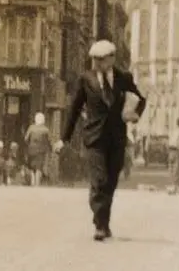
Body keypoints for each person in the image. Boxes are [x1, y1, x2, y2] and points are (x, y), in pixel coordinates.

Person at [57, 39, 147, 242]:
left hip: (117, 138)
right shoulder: (86, 79)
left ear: (112, 59)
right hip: (95, 138)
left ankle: (104, 223)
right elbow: (74, 109)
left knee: (111, 182)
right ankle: (99, 224)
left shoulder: (124, 78)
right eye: (94, 59)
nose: (96, 63)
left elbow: (141, 99)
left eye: (101, 59)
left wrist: (134, 114)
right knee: (100, 179)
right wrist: (64, 138)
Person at [24, 112, 54, 187]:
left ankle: (32, 182)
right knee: (38, 168)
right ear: (43, 120)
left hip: (31, 150)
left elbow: (26, 139)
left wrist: (29, 145)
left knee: (32, 167)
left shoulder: (31, 128)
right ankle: (37, 184)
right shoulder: (46, 129)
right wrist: (51, 148)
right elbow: (50, 141)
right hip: (41, 151)